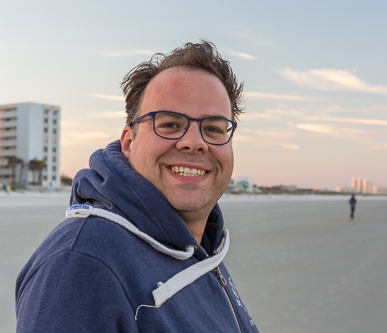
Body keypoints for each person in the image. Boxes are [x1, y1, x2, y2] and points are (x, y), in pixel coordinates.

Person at [16, 41, 259, 332]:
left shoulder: (199, 248)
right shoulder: (81, 264)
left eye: (214, 128)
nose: (195, 142)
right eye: (169, 124)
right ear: (129, 143)